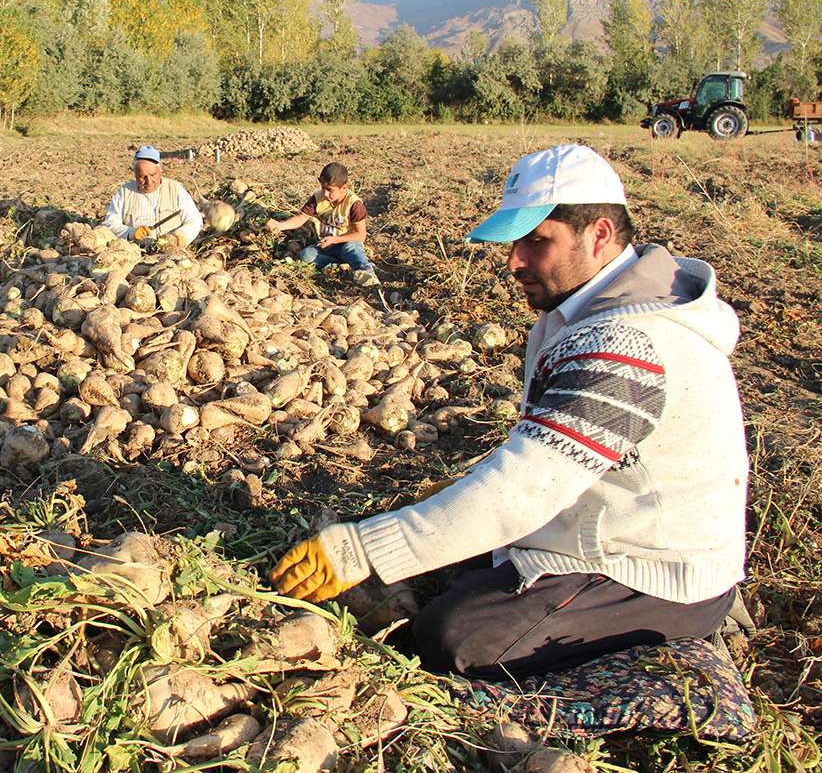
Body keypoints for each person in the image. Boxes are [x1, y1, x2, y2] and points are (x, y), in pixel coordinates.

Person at [271, 144, 748, 681]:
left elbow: (522, 490)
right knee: (442, 561)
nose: (514, 261)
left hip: (650, 571)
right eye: (515, 241)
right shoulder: (573, 311)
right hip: (582, 527)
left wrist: (364, 549)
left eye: (537, 241)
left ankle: (681, 649)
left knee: (450, 637)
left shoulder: (628, 344)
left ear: (600, 236)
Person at [264, 162, 375, 278]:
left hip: (346, 245)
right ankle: (337, 266)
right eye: (323, 188)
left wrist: (336, 240)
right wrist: (280, 226)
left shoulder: (354, 204)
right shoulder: (318, 198)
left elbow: (361, 235)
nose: (325, 193)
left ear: (344, 187)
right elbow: (300, 218)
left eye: (330, 190)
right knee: (306, 256)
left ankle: (366, 271)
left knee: (351, 249)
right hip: (327, 247)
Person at [102, 145, 203, 249]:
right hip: (134, 252)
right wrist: (130, 233)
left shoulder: (176, 190)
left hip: (170, 253)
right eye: (142, 177)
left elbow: (195, 220)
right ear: (135, 174)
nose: (149, 181)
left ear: (160, 171)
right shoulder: (124, 192)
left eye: (153, 175)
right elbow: (110, 223)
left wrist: (179, 237)